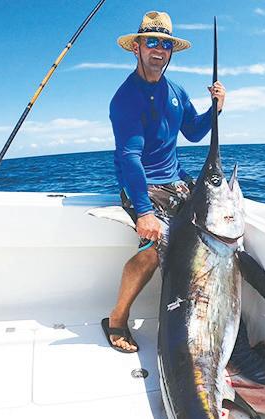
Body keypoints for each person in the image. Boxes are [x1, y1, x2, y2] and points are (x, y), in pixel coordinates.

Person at [102, 10, 226, 353]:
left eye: (165, 44)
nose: (159, 49)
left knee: (214, 237)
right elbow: (130, 157)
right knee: (155, 250)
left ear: (171, 51)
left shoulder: (177, 91)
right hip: (142, 184)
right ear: (137, 48)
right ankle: (116, 319)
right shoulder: (126, 98)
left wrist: (214, 109)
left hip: (177, 182)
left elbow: (195, 132)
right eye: (152, 42)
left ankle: (203, 320)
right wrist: (144, 212)